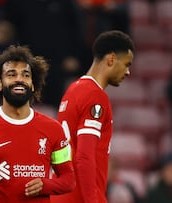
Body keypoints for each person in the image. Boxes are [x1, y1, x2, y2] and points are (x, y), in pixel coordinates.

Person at [0, 45, 75, 203]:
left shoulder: (53, 128)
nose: (19, 79)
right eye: (11, 74)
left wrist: (46, 185)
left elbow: (69, 180)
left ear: (33, 84)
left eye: (25, 75)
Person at [50, 30, 134, 203]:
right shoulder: (96, 96)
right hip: (80, 197)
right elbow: (84, 156)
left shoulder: (73, 90)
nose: (127, 72)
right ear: (111, 59)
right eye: (126, 64)